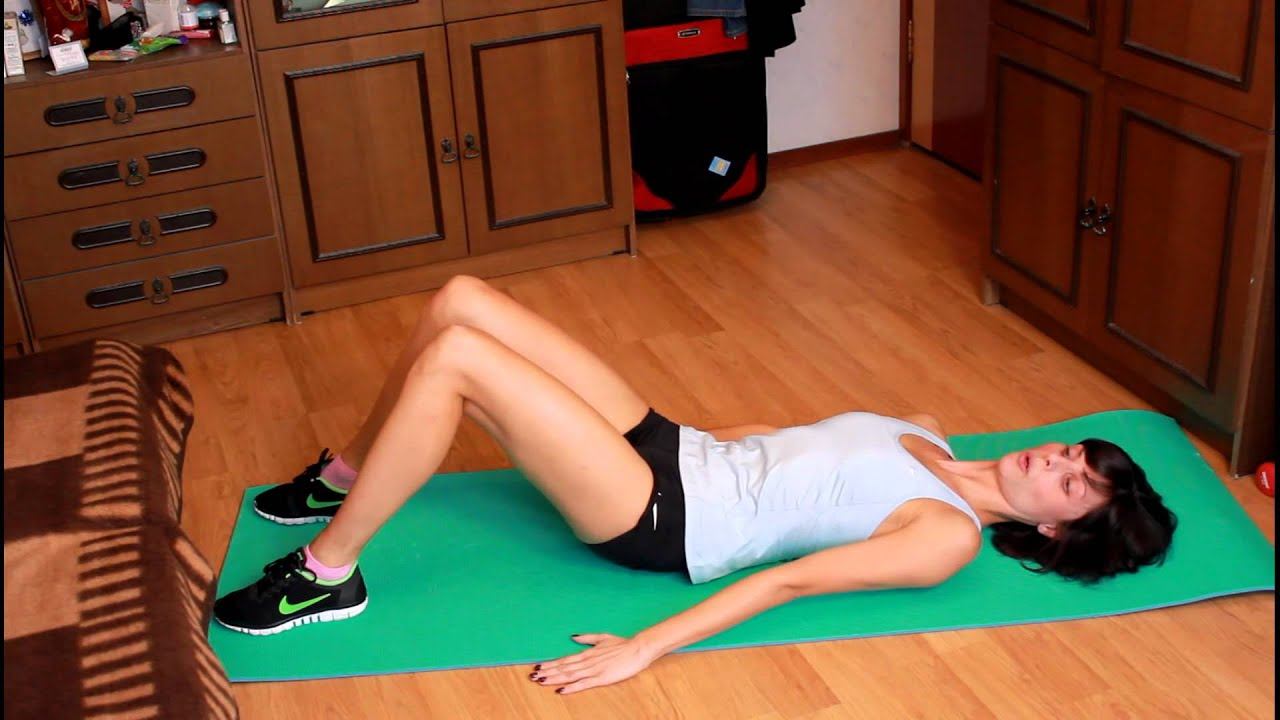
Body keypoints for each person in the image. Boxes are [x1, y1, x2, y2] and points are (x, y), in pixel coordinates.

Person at [214, 275, 1177, 694]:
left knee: (459, 361)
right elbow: (793, 446)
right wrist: (697, 439)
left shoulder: (948, 533)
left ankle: (328, 574)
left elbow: (787, 580)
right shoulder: (928, 431)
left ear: (1058, 533)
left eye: (1073, 487)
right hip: (679, 450)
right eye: (1071, 454)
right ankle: (347, 476)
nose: (1055, 462)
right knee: (461, 302)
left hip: (662, 517)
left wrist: (647, 649)